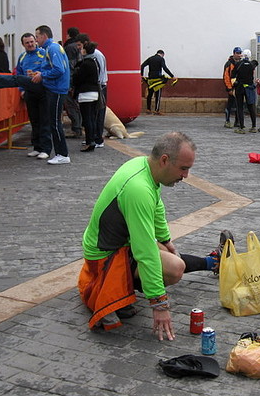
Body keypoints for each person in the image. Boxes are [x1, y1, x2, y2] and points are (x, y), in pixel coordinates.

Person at [77, 131, 234, 340]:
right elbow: (145, 252)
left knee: (168, 255)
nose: (186, 176)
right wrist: (159, 304)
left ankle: (213, 261)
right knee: (173, 268)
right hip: (104, 259)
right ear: (164, 160)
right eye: (183, 168)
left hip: (122, 245)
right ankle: (119, 295)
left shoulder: (144, 167)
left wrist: (166, 240)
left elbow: (157, 206)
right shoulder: (138, 189)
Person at [0, 33, 52, 159]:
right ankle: (37, 147)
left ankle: (46, 149)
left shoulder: (43, 53)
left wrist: (40, 74)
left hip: (42, 90)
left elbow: (49, 69)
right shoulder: (22, 57)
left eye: (31, 41)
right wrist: (22, 90)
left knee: (44, 121)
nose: (30, 44)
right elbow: (18, 72)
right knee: (34, 120)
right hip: (29, 92)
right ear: (23, 45)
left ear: (35, 41)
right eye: (27, 43)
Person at [29, 25, 71, 165]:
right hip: (55, 88)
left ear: (44, 36)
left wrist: (42, 75)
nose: (36, 39)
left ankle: (62, 154)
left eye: (37, 36)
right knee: (53, 122)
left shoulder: (52, 48)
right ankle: (60, 153)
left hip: (56, 89)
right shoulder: (51, 48)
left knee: (55, 122)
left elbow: (59, 69)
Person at [76, 33, 108, 148]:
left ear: (85, 44)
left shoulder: (94, 56)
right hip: (97, 86)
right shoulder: (89, 57)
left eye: (80, 45)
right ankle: (92, 137)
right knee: (92, 115)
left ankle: (97, 138)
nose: (79, 48)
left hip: (99, 86)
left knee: (97, 114)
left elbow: (98, 73)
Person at [73, 41, 101, 152]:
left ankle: (89, 141)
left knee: (87, 119)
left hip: (85, 93)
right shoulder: (95, 62)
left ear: (85, 50)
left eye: (81, 48)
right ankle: (92, 139)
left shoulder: (85, 64)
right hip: (95, 92)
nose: (80, 50)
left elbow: (78, 78)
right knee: (92, 118)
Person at [62, 27, 83, 139]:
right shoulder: (79, 46)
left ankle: (76, 128)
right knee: (76, 104)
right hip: (78, 80)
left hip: (70, 81)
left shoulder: (69, 47)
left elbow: (69, 66)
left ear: (69, 35)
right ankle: (79, 127)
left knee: (70, 104)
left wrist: (69, 83)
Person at [141, 50, 175, 115]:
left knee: (150, 94)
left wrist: (141, 76)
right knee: (158, 95)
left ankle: (148, 109)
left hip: (150, 80)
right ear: (162, 54)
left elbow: (142, 66)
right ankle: (157, 110)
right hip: (158, 80)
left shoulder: (150, 58)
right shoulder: (161, 59)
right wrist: (172, 76)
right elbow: (165, 68)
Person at [232, 49, 258, 134]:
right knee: (251, 107)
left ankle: (241, 127)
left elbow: (233, 75)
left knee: (240, 107)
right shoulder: (251, 65)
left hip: (240, 87)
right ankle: (254, 126)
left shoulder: (239, 64)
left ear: (243, 55)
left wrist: (234, 85)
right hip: (249, 88)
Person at [222, 47, 242, 128]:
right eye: (237, 53)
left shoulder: (241, 63)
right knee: (230, 105)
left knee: (239, 105)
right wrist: (229, 88)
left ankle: (237, 121)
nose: (239, 55)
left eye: (240, 53)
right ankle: (227, 121)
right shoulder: (229, 64)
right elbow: (226, 77)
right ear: (234, 53)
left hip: (239, 88)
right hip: (231, 88)